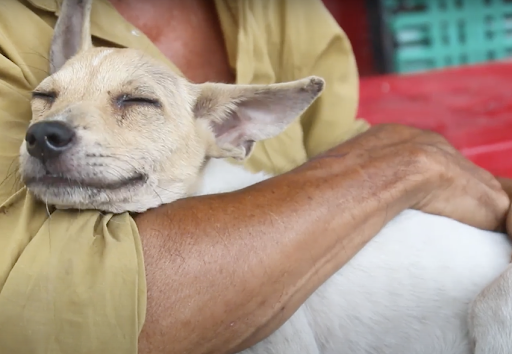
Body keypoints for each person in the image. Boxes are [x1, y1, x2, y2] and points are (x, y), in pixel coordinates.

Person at [0, 0, 510, 353]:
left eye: (133, 102)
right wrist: (401, 169)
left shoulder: (284, 15)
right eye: (45, 98)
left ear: (235, 126)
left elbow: (341, 137)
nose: (48, 127)